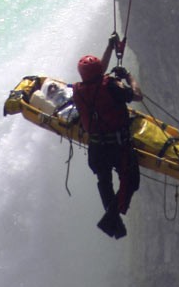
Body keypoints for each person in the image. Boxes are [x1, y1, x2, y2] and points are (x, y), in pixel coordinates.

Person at [72, 34, 143, 239]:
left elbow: (95, 76)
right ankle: (112, 216)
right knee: (131, 181)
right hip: (118, 145)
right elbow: (137, 95)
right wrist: (129, 76)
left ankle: (114, 223)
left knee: (104, 183)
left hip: (96, 148)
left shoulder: (78, 90)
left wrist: (109, 48)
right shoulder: (111, 86)